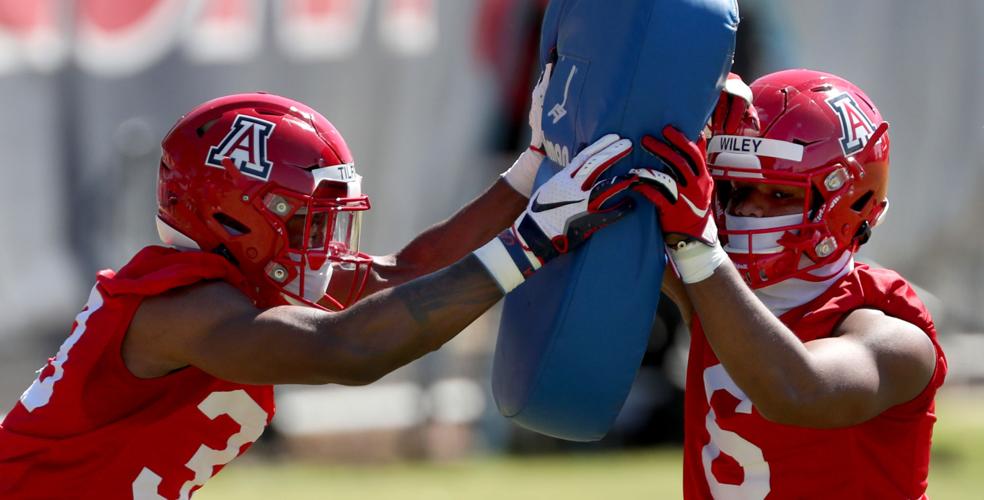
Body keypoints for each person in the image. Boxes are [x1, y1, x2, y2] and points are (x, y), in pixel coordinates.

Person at [0, 84, 636, 497]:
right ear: (233, 215)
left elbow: (407, 274)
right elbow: (347, 351)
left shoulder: (234, 286)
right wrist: (529, 244)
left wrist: (530, 172)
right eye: (308, 218)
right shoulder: (180, 309)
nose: (327, 242)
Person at [631, 69, 947, 498]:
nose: (751, 210)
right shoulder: (709, 283)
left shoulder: (893, 336)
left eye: (779, 193)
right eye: (737, 189)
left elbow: (797, 390)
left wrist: (696, 247)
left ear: (851, 200)